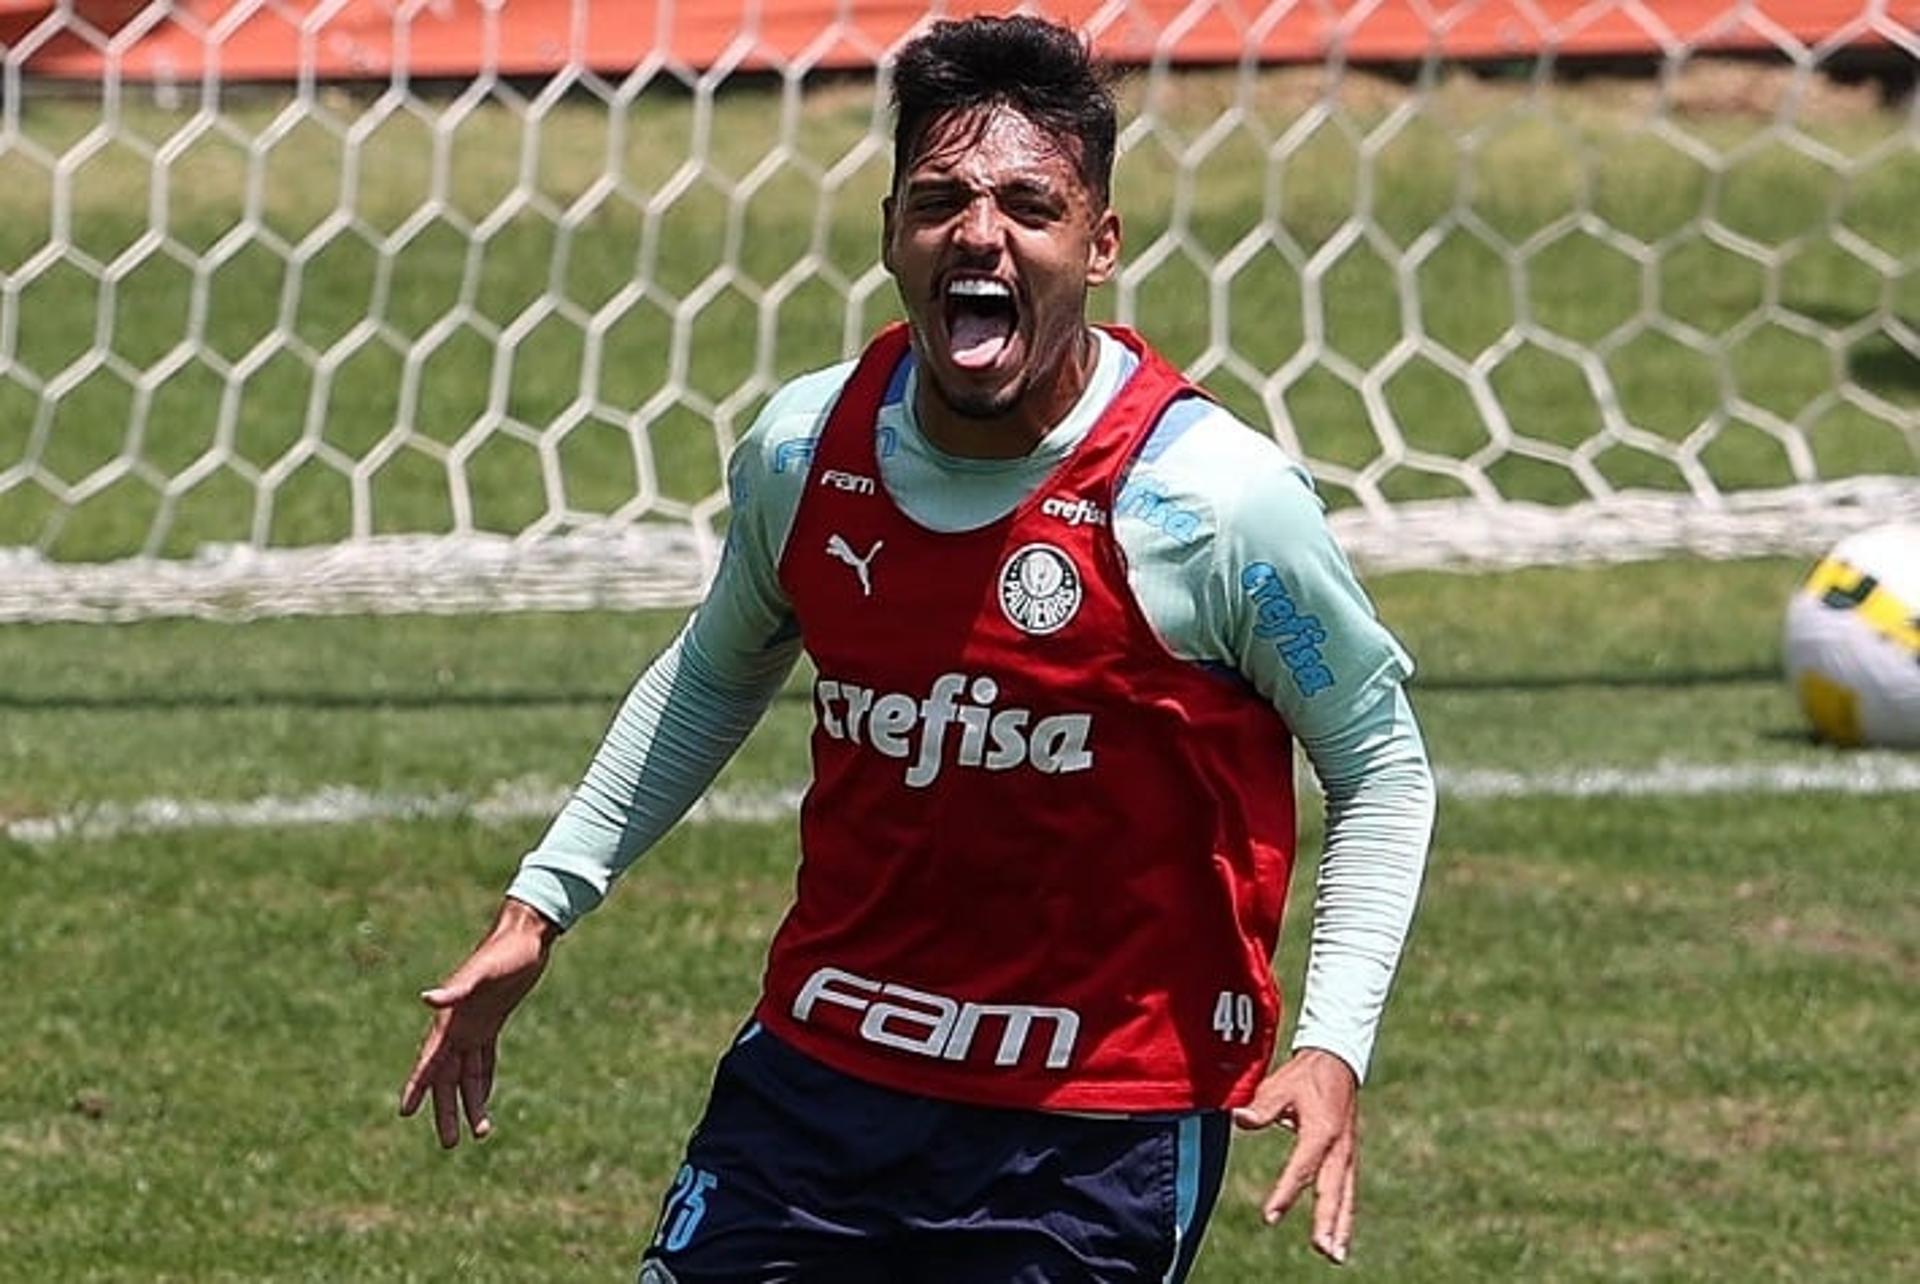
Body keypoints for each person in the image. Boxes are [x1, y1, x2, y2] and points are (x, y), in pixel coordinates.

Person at [401, 15, 1434, 1281]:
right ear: (893, 230)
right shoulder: (807, 449)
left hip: (1091, 1131)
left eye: (1028, 205)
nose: (979, 233)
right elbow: (716, 668)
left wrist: (1333, 1042)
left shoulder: (1214, 502)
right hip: (821, 1079)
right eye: (940, 199)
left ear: (1100, 245)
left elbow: (1379, 762)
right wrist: (543, 902)